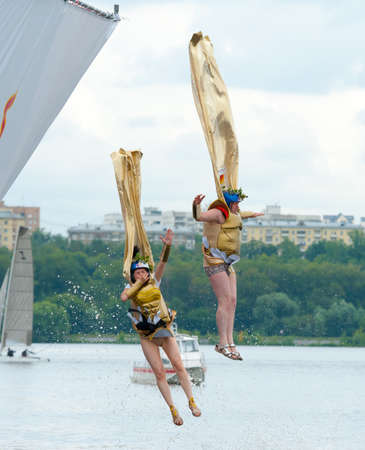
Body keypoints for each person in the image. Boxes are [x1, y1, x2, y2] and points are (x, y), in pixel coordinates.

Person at [120, 229, 201, 426]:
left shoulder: (155, 281)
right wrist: (137, 283)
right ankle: (173, 410)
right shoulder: (130, 289)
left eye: (145, 271)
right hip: (147, 336)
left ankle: (191, 402)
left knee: (179, 365)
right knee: (159, 373)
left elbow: (163, 263)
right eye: (138, 272)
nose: (143, 274)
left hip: (164, 330)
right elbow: (124, 297)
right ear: (132, 275)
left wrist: (167, 246)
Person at [193, 189, 264, 361]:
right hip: (214, 260)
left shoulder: (235, 212)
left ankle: (231, 342)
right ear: (230, 203)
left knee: (232, 301)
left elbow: (241, 215)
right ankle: (222, 343)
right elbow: (200, 217)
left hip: (228, 262)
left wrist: (253, 214)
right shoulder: (219, 212)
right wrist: (196, 205)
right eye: (236, 203)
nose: (238, 206)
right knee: (224, 300)